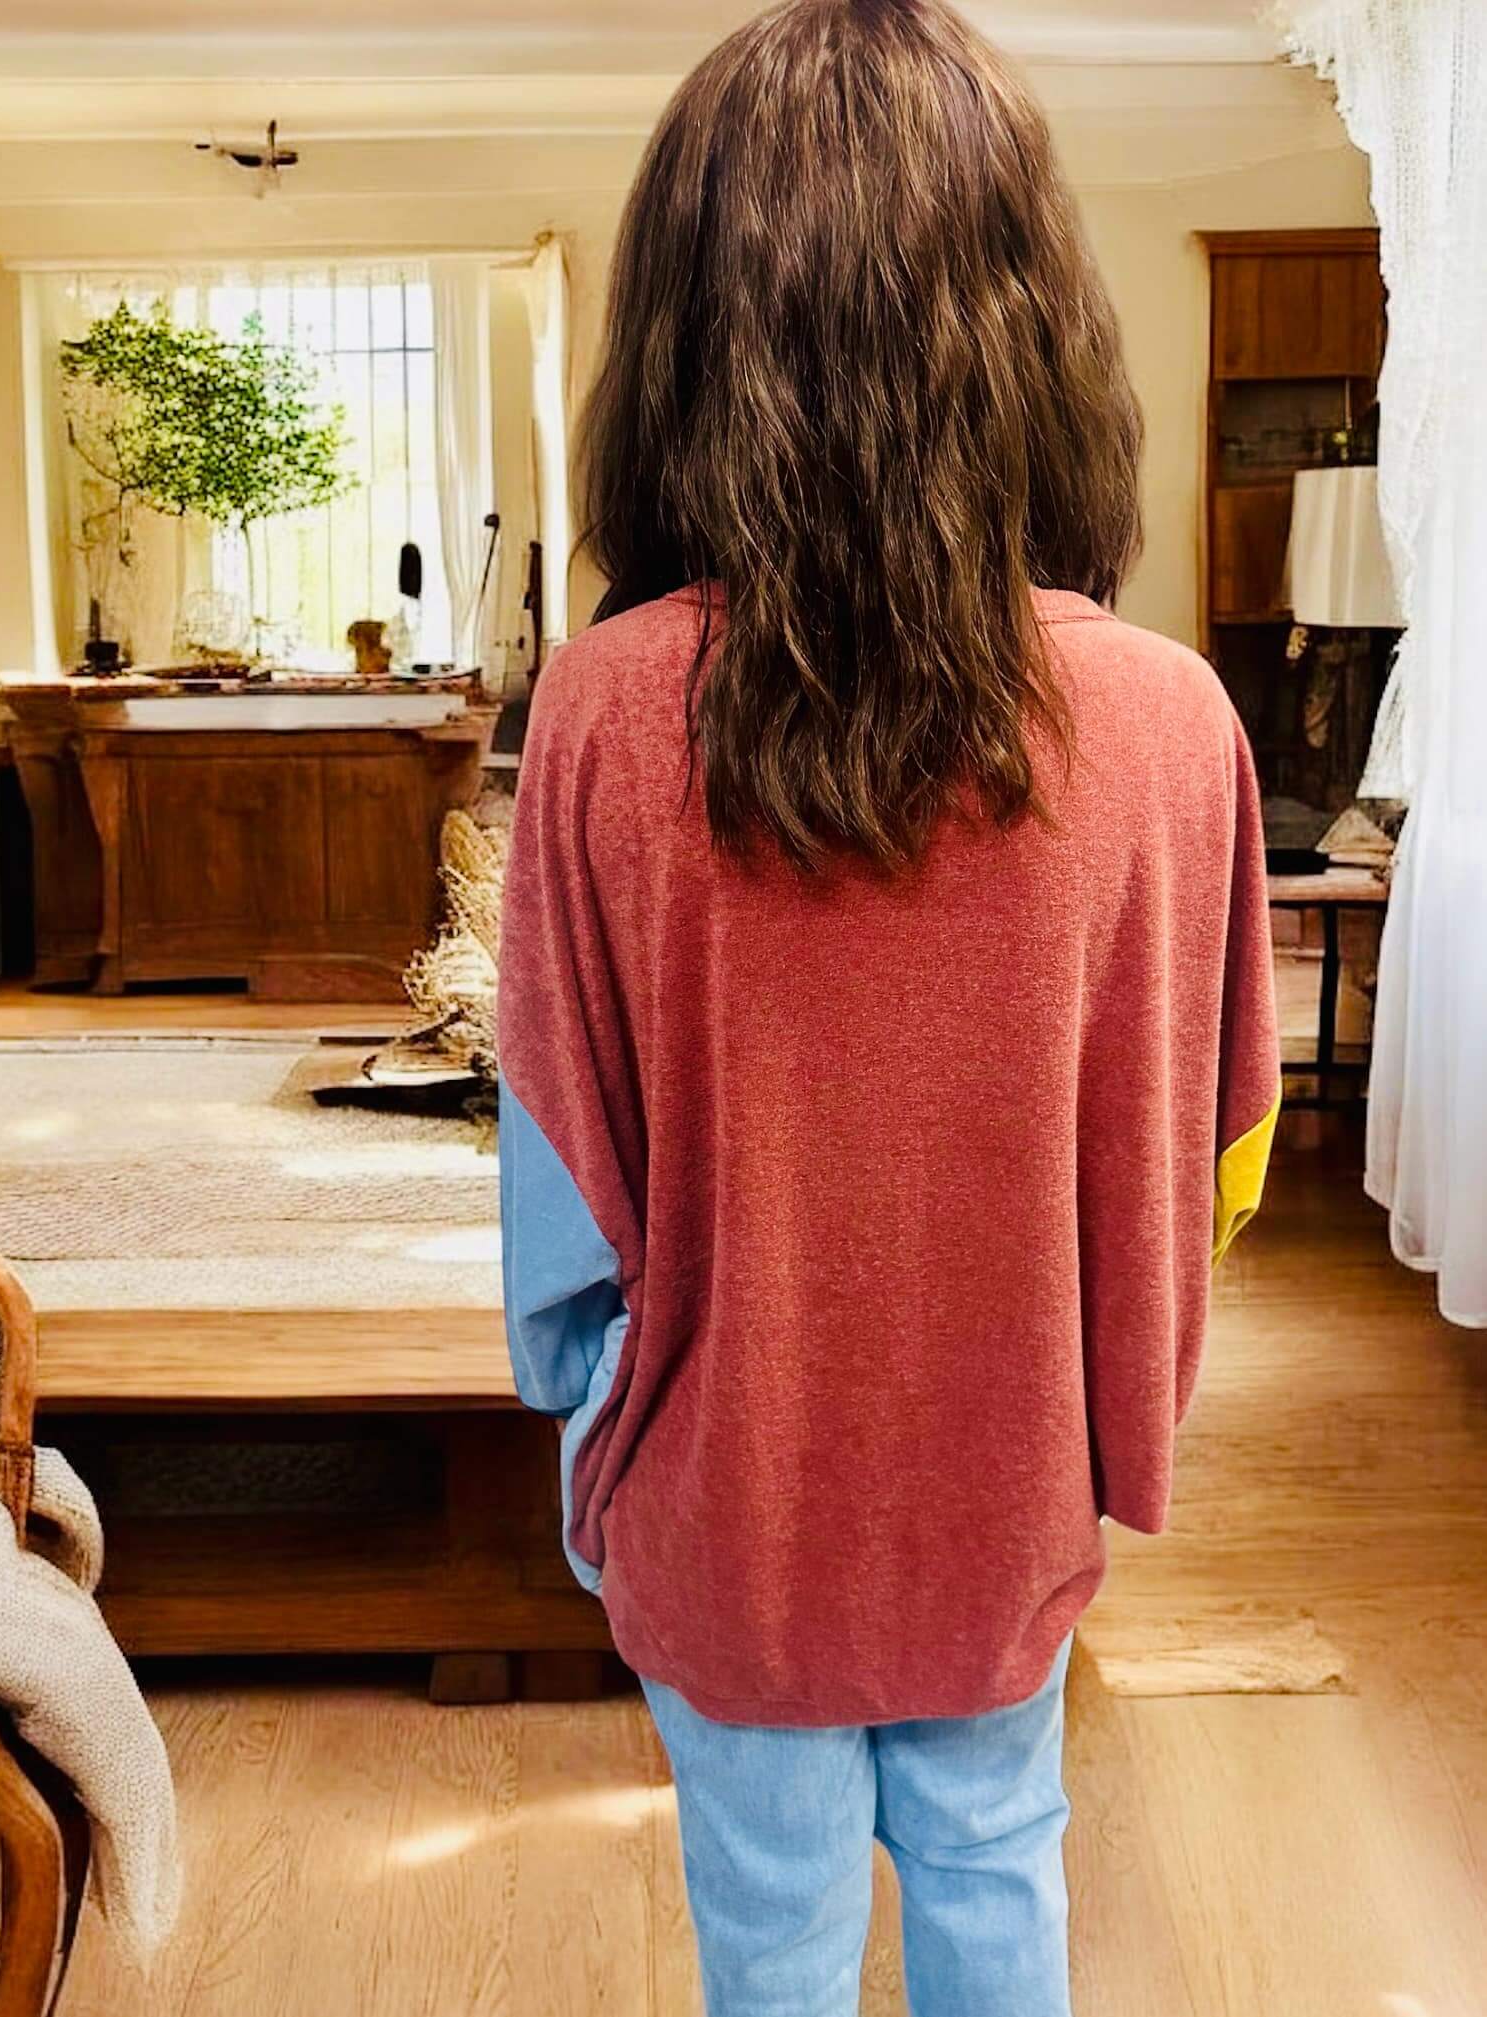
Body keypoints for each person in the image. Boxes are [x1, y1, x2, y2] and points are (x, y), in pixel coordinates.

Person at [496, 1, 1280, 2010]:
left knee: (761, 1937)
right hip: (1003, 1484)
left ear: (679, 322)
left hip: (711, 1489)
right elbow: (1210, 1158)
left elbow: (558, 1178)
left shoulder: (596, 711)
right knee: (998, 1873)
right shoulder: (1169, 719)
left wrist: (600, 1444)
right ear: (1035, 317)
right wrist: (1099, 1423)